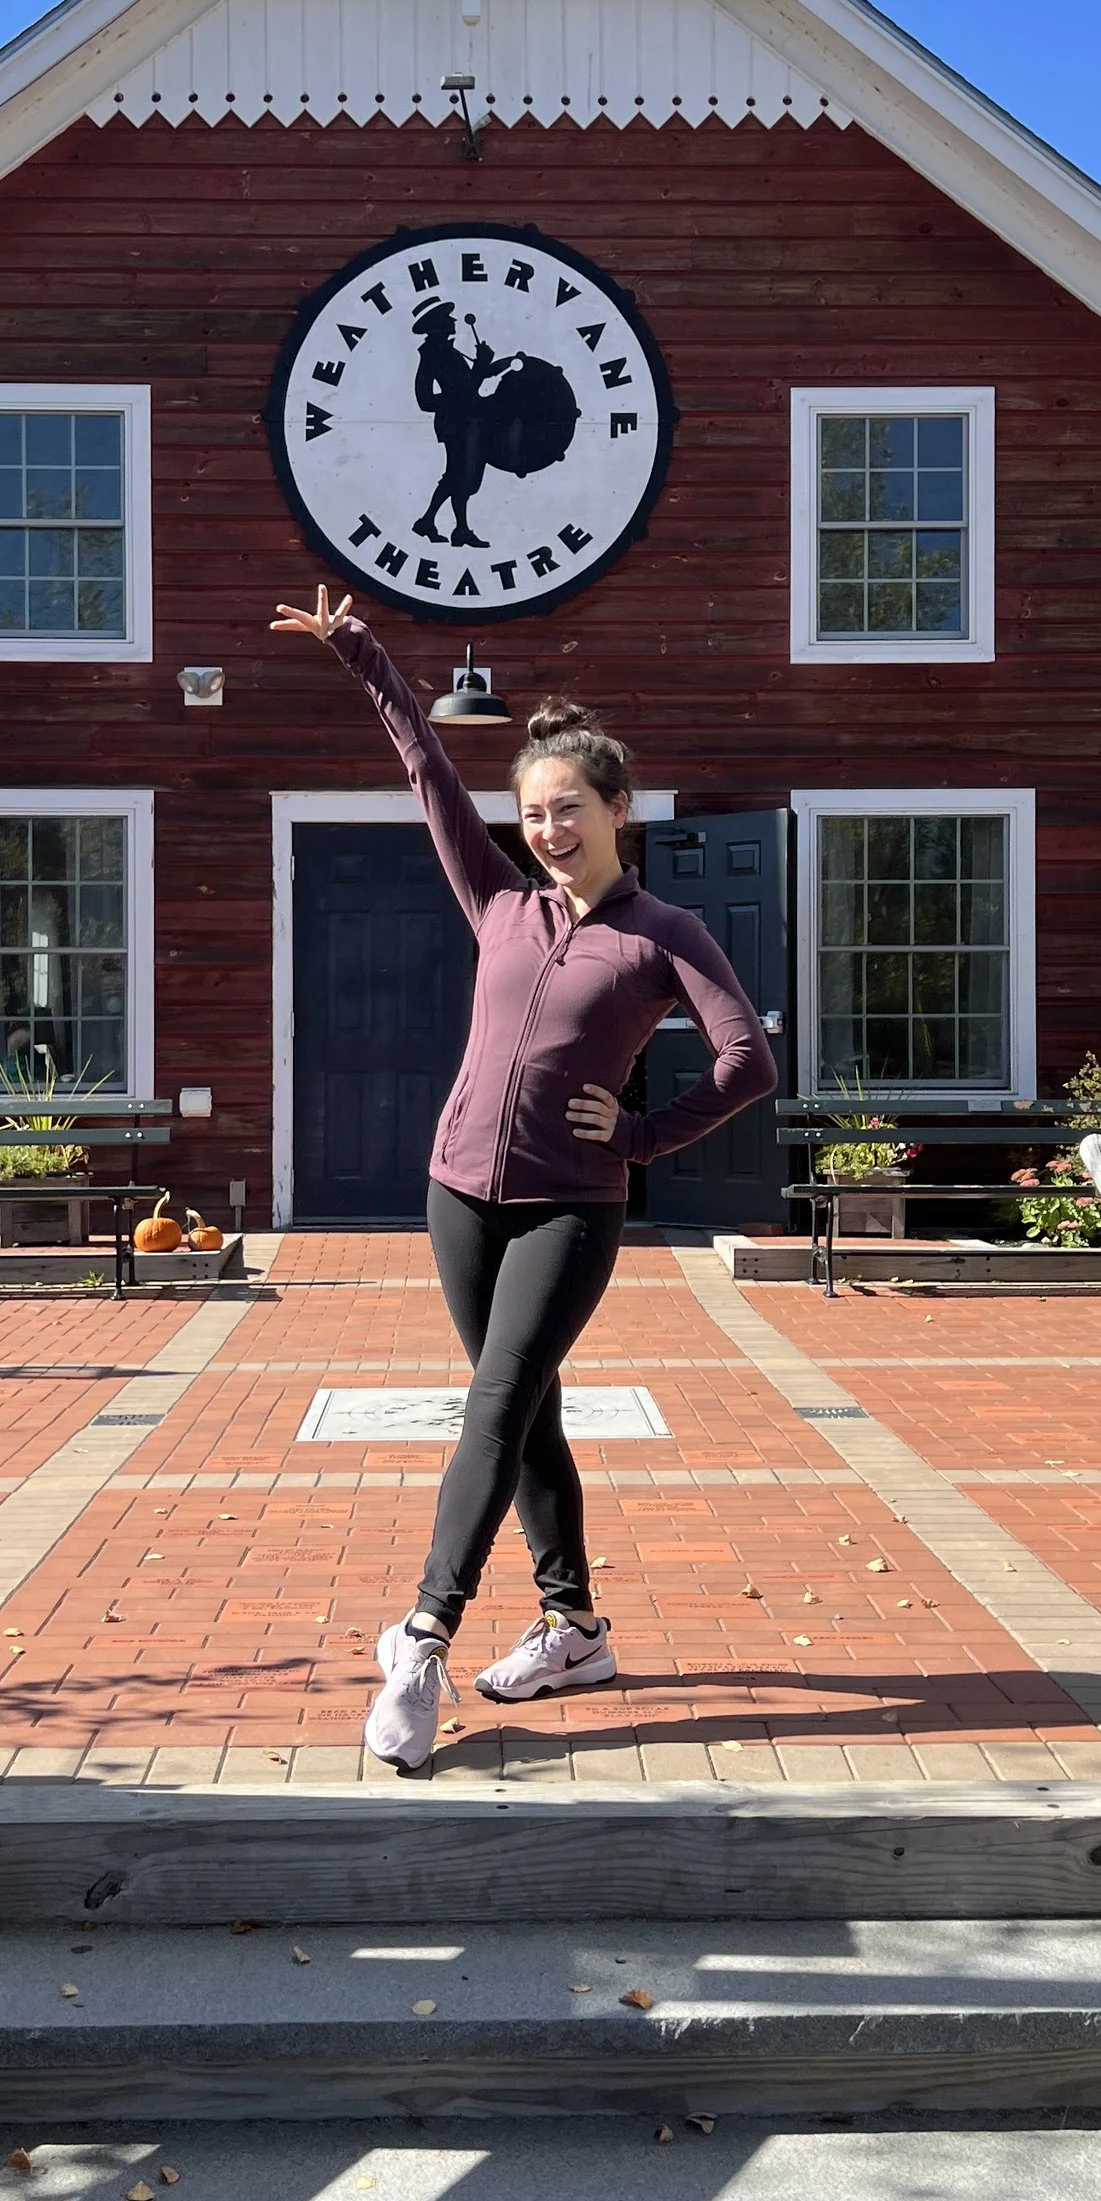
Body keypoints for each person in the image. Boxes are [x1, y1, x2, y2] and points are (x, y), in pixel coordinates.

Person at [270, 585, 779, 1770]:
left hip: (570, 1205)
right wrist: (363, 654)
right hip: (456, 1194)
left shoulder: (662, 933)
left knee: (494, 1404)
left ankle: (423, 1636)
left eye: (569, 809)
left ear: (617, 809)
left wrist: (644, 1136)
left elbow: (749, 1060)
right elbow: (426, 776)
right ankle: (576, 1629)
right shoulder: (498, 902)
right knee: (528, 1405)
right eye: (534, 812)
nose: (548, 828)